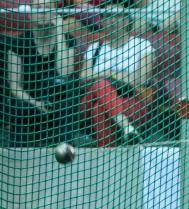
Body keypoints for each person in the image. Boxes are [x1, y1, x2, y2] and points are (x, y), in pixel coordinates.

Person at [1, 5, 83, 146]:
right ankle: (21, 151)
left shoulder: (67, 40)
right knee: (20, 107)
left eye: (47, 8)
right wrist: (36, 103)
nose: (43, 12)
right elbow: (15, 87)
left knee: (70, 100)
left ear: (55, 14)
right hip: (29, 100)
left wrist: (59, 31)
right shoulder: (19, 43)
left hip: (58, 101)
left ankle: (65, 149)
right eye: (38, 8)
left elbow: (65, 72)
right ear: (29, 14)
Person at [79, 5, 155, 146]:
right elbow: (83, 78)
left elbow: (141, 79)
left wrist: (106, 75)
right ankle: (126, 127)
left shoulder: (142, 45)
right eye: (107, 16)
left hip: (130, 100)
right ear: (102, 21)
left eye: (117, 16)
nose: (112, 20)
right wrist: (110, 75)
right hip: (90, 100)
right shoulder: (95, 48)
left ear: (127, 20)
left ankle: (107, 154)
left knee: (99, 108)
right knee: (100, 85)